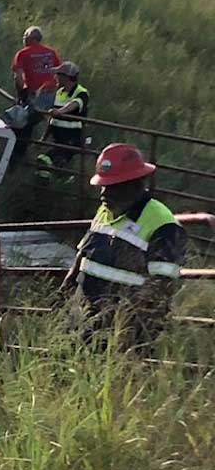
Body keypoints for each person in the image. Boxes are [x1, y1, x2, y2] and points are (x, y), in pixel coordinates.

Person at [63, 143, 185, 344]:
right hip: (84, 321)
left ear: (136, 184)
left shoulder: (164, 224)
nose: (103, 193)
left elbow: (160, 289)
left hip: (124, 333)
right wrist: (61, 300)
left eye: (112, 187)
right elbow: (82, 258)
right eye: (103, 186)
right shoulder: (106, 211)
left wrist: (121, 332)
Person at [36, 62, 89, 181]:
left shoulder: (81, 92)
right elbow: (52, 119)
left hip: (71, 140)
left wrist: (60, 111)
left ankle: (50, 184)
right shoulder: (59, 92)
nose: (55, 77)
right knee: (47, 164)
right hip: (58, 139)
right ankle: (56, 183)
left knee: (45, 160)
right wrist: (44, 138)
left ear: (66, 77)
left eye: (58, 75)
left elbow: (75, 104)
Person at [11, 26, 61, 111]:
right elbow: (60, 71)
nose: (23, 40)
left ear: (30, 38)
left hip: (34, 95)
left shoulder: (22, 53)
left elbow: (18, 77)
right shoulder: (51, 52)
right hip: (52, 94)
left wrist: (22, 95)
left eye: (24, 37)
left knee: (26, 120)